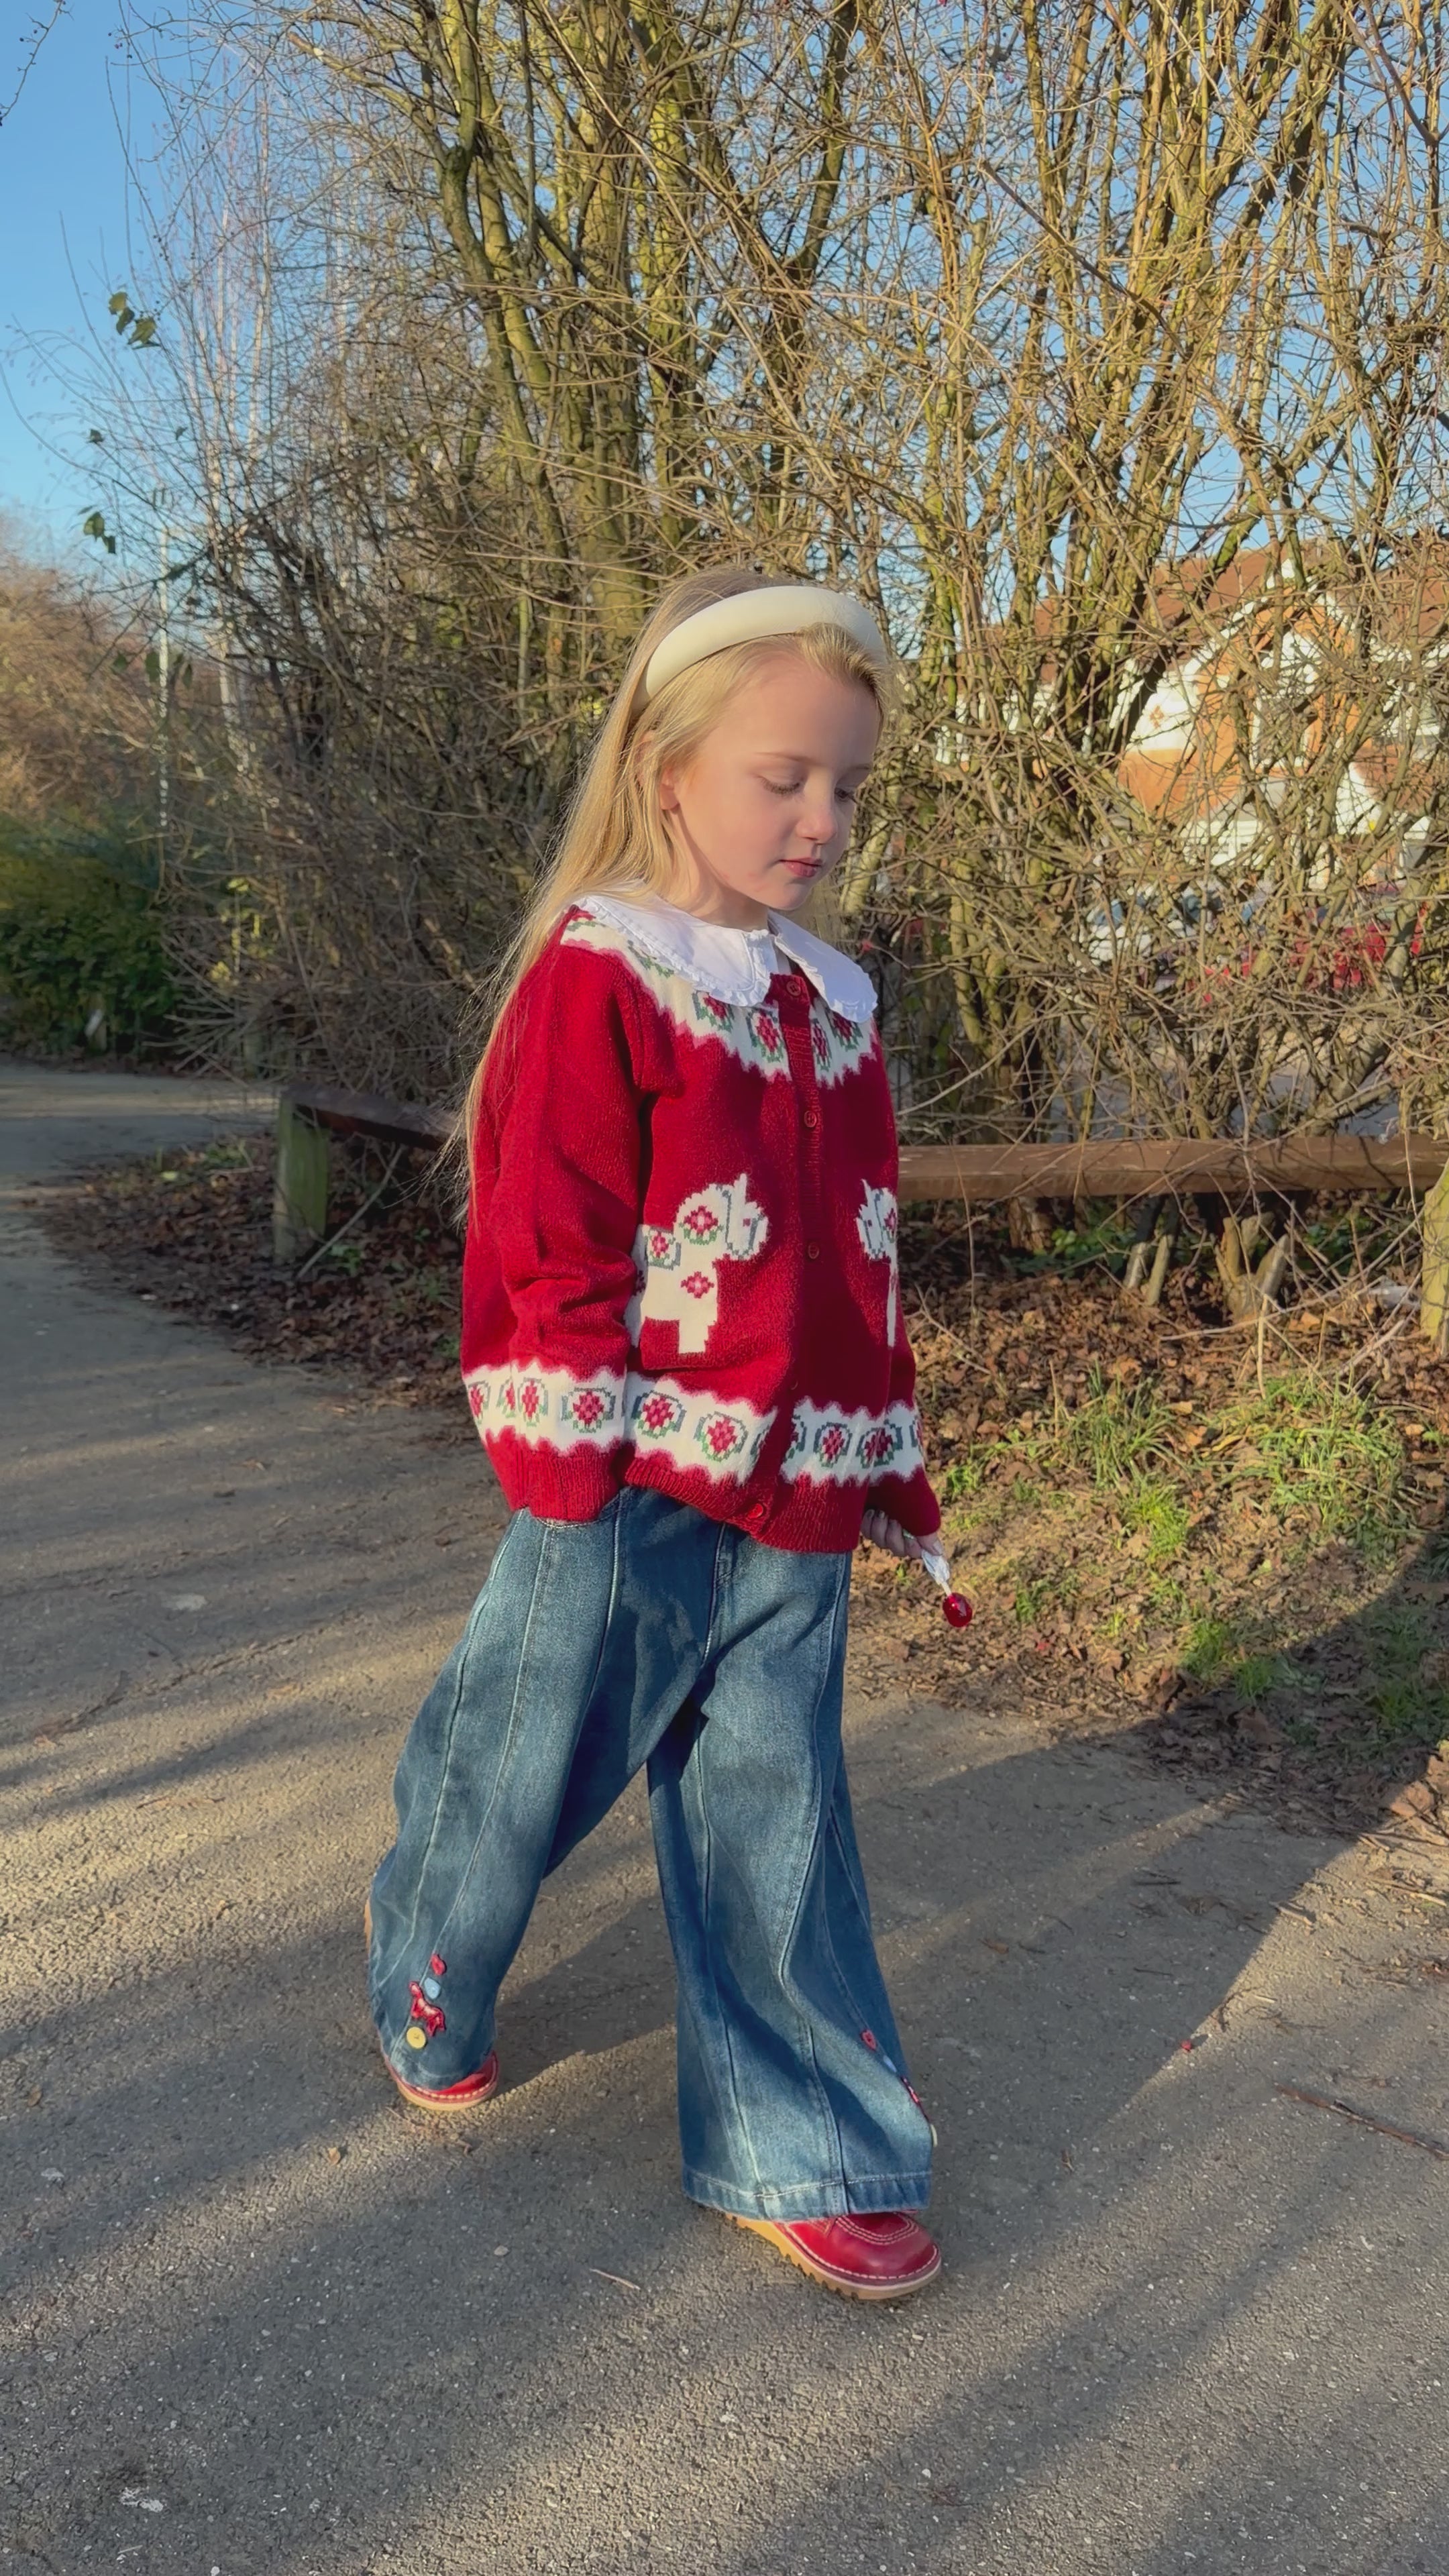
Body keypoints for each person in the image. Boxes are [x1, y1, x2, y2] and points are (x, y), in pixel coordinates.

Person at [366, 566, 948, 2300]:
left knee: (776, 1807)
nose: (824, 817)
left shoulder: (831, 1007)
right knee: (516, 1769)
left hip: (800, 1488)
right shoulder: (606, 973)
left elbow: (866, 1266)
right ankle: (430, 1965)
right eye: (787, 776)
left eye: (849, 783)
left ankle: (802, 2138)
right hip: (618, 1485)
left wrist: (890, 1449)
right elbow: (542, 1235)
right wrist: (567, 1478)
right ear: (670, 762)